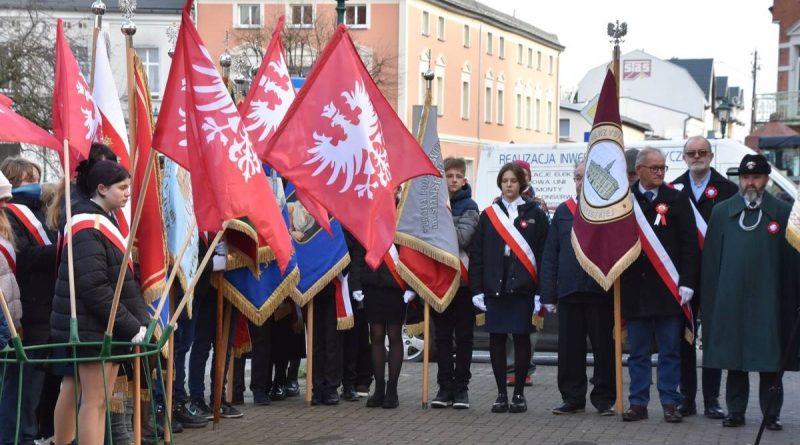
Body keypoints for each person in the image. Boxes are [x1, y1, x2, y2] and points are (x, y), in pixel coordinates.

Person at [50, 159, 151, 445]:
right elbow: (94, 286)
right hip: (92, 326)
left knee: (95, 400)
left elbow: (120, 282)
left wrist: (140, 322)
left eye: (129, 186)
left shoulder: (102, 219)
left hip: (101, 325)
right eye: (122, 187)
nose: (128, 192)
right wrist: (131, 325)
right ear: (102, 188)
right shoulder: (87, 225)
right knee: (93, 402)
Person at [701, 154, 799, 431]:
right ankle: (735, 411)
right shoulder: (721, 212)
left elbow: (792, 263)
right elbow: (711, 263)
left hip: (769, 300)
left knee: (770, 360)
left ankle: (771, 414)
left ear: (766, 179)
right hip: (730, 301)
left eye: (756, 177)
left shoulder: (782, 212)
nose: (750, 183)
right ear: (740, 180)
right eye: (745, 177)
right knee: (735, 359)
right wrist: (711, 303)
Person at [621, 147, 700, 423]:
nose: (659, 172)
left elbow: (691, 245)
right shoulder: (624, 201)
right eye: (654, 168)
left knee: (670, 351)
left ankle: (669, 401)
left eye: (662, 168)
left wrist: (688, 282)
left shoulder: (675, 199)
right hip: (635, 289)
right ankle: (638, 402)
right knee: (638, 352)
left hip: (668, 289)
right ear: (639, 170)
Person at [470, 162, 549, 413]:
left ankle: (519, 395)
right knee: (497, 339)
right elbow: (478, 254)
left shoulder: (535, 213)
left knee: (522, 338)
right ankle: (501, 394)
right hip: (496, 287)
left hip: (523, 288)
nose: (508, 185)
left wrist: (541, 293)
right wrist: (477, 289)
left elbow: (544, 254)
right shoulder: (489, 215)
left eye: (513, 181)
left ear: (521, 184)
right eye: (504, 181)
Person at [540, 161, 615, 416]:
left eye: (586, 177)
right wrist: (548, 293)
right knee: (570, 350)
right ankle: (572, 397)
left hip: (600, 290)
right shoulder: (563, 210)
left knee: (604, 349)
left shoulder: (608, 210)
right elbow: (551, 254)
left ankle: (604, 399)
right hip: (570, 291)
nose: (581, 182)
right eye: (578, 177)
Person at [671, 136, 738, 419]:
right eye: (691, 152)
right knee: (684, 338)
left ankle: (712, 399)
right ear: (684, 157)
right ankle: (687, 397)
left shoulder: (728, 189)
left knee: (713, 338)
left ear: (711, 156)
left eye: (702, 152)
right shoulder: (673, 189)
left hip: (716, 274)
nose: (696, 156)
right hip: (684, 276)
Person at [0, 159, 57, 445]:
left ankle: (32, 435)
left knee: (35, 387)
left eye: (37, 178)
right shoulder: (10, 216)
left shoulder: (39, 213)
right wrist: (59, 250)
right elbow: (21, 260)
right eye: (27, 179)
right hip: (18, 316)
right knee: (19, 388)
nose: (35, 184)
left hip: (33, 312)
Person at [430, 157, 479, 409]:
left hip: (462, 282)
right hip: (439, 281)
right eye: (449, 176)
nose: (454, 180)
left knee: (464, 337)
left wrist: (441, 220)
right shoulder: (434, 205)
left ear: (464, 180)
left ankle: (461, 388)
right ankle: (444, 387)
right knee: (442, 338)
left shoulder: (470, 207)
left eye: (458, 176)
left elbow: (461, 237)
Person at [348, 230, 415, 409]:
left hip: (395, 286)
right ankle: (379, 387)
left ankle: (392, 389)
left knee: (394, 335)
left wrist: (411, 285)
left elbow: (411, 253)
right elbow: (359, 253)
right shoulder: (370, 220)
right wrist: (355, 284)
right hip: (372, 285)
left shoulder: (402, 219)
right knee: (376, 335)